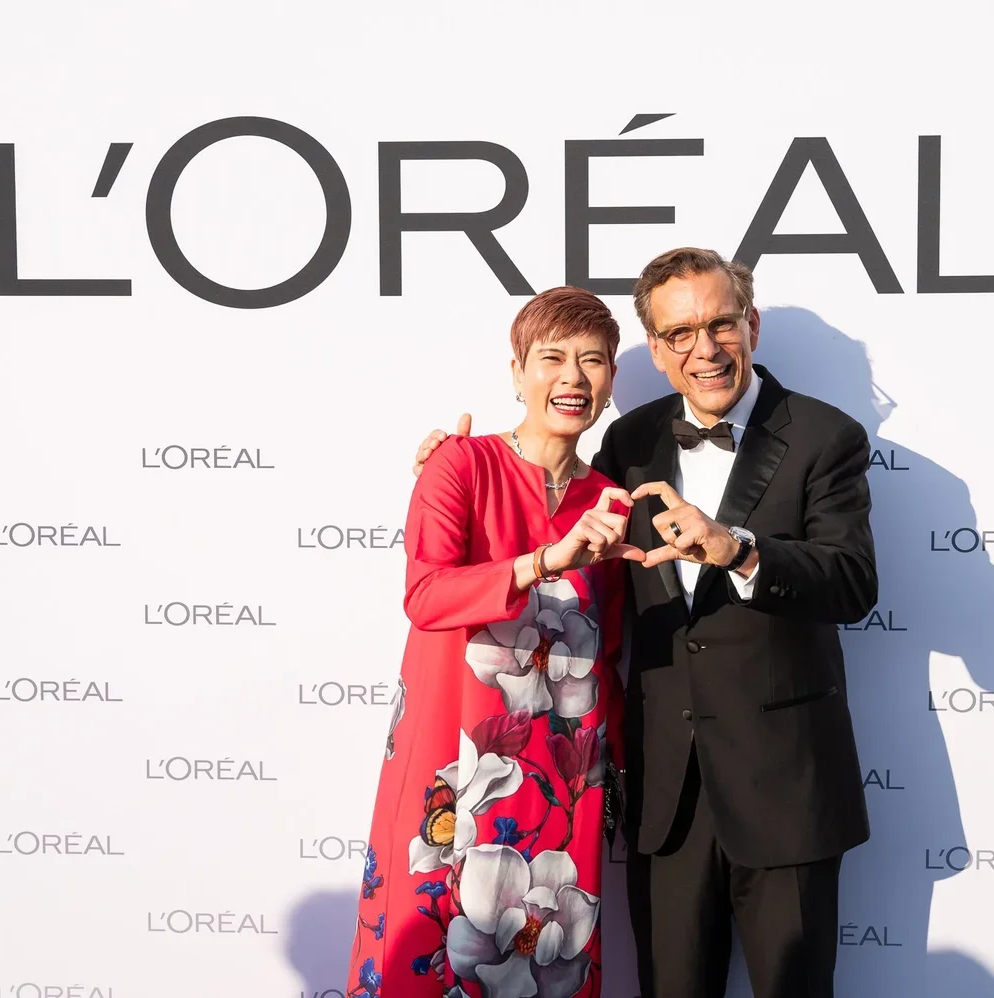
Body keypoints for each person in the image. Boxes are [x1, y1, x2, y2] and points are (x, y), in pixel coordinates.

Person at [412, 247, 877, 998]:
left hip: (786, 791)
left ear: (750, 325)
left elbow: (853, 583)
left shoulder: (827, 437)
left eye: (721, 324)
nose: (705, 349)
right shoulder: (627, 447)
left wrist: (740, 548)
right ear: (655, 352)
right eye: (679, 334)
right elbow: (539, 500)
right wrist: (449, 460)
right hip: (665, 799)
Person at [347, 286, 642, 998]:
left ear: (609, 385)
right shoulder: (460, 465)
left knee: (545, 962)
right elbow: (426, 596)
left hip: (560, 781)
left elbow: (606, 655)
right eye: (552, 358)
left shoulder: (611, 499)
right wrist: (542, 561)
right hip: (453, 766)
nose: (572, 377)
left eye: (593, 362)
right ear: (517, 372)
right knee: (427, 957)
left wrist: (619, 773)